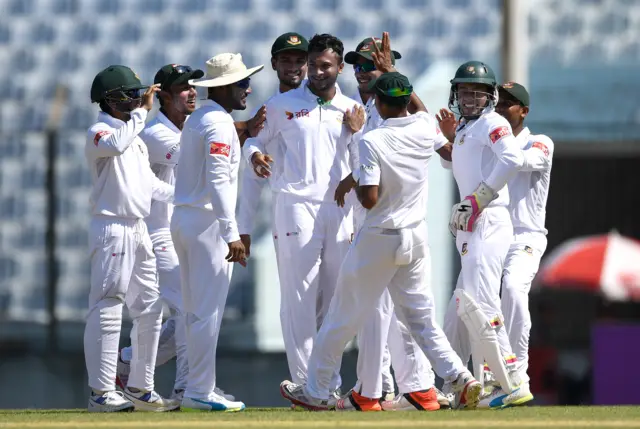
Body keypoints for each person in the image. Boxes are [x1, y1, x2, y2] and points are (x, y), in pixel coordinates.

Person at [278, 72, 482, 411]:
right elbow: (423, 118)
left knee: (341, 317)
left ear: (378, 102)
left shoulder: (371, 140)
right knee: (421, 320)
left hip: (379, 236)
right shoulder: (422, 126)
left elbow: (370, 198)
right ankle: (462, 378)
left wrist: (357, 181)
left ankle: (314, 392)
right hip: (415, 236)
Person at [333, 33, 454, 411]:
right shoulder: (364, 110)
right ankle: (411, 388)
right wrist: (353, 175)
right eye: (357, 65)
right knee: (395, 311)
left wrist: (395, 75)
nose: (361, 72)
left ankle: (371, 392)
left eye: (370, 65)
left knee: (383, 310)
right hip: (379, 222)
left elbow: (439, 142)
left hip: (389, 223)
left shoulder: (392, 113)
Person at [244, 33, 363, 397]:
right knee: (299, 298)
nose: (317, 72)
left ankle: (328, 383)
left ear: (340, 68)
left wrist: (357, 133)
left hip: (340, 210)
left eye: (326, 65)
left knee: (334, 300)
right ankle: (306, 384)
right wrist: (254, 156)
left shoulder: (353, 109)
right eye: (313, 65)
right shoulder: (281, 105)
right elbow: (253, 139)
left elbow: (366, 163)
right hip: (295, 205)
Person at [114, 63, 234, 402]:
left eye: (194, 85)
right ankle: (186, 388)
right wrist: (242, 130)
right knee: (186, 309)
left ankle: (128, 364)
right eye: (183, 87)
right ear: (163, 96)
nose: (192, 91)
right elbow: (192, 161)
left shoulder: (193, 127)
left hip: (179, 229)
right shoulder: (155, 134)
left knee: (189, 310)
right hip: (157, 233)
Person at [171, 53, 263, 412]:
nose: (248, 88)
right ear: (223, 87)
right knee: (206, 312)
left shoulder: (199, 118)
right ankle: (198, 390)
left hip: (186, 219)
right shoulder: (219, 123)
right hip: (207, 223)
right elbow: (219, 181)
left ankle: (198, 386)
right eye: (241, 83)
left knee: (195, 312)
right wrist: (232, 233)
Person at [85, 65, 178, 412]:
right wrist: (142, 114)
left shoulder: (133, 135)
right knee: (109, 304)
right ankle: (101, 391)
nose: (140, 98)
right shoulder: (100, 131)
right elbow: (115, 144)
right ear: (112, 99)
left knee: (150, 307)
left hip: (138, 227)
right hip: (111, 226)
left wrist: (187, 197)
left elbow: (148, 186)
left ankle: (141, 387)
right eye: (132, 93)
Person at [440, 60, 533, 408]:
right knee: (458, 310)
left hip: (489, 219)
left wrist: (478, 199)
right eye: (464, 91)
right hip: (471, 222)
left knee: (481, 301)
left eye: (477, 93)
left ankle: (509, 379)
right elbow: (457, 163)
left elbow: (510, 160)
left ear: (490, 96)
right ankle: (454, 382)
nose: (469, 98)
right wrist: (450, 139)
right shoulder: (467, 126)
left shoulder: (493, 122)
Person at [495, 81, 554, 397]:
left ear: (524, 110)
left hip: (525, 237)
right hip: (491, 236)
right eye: (498, 103)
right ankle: (471, 381)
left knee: (515, 292)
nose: (501, 109)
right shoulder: (488, 140)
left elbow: (526, 162)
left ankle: (518, 376)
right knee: (470, 305)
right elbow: (452, 161)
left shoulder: (540, 142)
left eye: (508, 103)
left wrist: (486, 141)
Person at [237, 32, 309, 266]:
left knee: (337, 297)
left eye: (300, 61)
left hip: (332, 212)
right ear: (274, 63)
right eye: (286, 60)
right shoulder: (267, 110)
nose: (293, 67)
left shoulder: (326, 104)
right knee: (297, 296)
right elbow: (252, 176)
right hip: (289, 211)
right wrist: (244, 228)